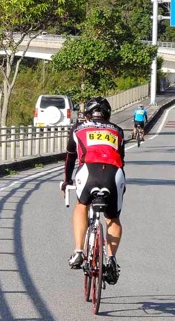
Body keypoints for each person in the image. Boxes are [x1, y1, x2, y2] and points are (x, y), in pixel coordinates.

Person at [61, 97, 126, 285]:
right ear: (108, 114)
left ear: (87, 115)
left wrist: (67, 182)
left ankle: (79, 251)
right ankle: (111, 259)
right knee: (112, 218)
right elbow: (121, 160)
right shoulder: (118, 131)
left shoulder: (78, 129)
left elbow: (70, 158)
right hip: (114, 174)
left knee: (82, 205)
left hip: (88, 172)